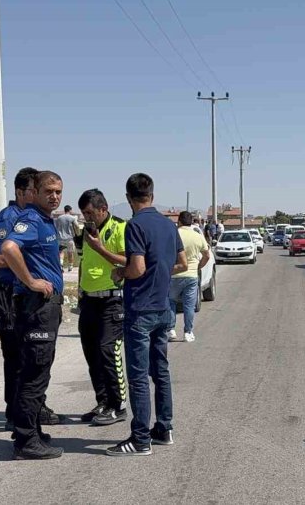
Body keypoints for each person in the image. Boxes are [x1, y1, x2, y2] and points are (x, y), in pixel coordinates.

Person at [107, 173, 187, 457]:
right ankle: (164, 429)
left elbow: (137, 268)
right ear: (152, 195)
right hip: (164, 308)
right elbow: (182, 263)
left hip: (140, 310)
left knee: (139, 377)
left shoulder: (135, 226)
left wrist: (120, 273)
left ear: (129, 198)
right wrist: (161, 273)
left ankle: (140, 439)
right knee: (161, 372)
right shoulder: (168, 225)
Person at [0, 167, 60, 432]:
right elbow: (1, 257)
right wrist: (30, 277)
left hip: (29, 297)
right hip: (11, 296)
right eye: (36, 190)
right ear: (21, 192)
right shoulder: (10, 219)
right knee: (18, 359)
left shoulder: (37, 218)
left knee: (33, 359)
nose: (45, 195)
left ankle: (32, 411)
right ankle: (16, 415)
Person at [0, 170, 66, 460]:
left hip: (44, 307)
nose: (54, 196)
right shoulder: (31, 220)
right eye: (49, 191)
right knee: (34, 374)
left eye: (58, 192)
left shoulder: (45, 220)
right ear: (35, 192)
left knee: (39, 370)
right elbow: (8, 248)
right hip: (36, 305)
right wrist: (31, 281)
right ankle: (26, 441)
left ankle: (33, 432)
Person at [76, 188, 128, 426]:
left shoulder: (120, 228)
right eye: (83, 213)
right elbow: (83, 263)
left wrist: (100, 248)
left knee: (109, 351)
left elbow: (129, 261)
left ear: (103, 209)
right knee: (92, 354)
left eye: (90, 213)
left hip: (111, 299)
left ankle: (119, 405)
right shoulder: (86, 232)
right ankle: (103, 401)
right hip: (88, 300)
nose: (87, 217)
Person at [167, 211, 210, 343]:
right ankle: (188, 332)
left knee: (171, 302)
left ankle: (171, 330)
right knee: (189, 306)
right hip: (191, 275)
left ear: (179, 221)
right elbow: (207, 255)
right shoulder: (197, 236)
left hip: (174, 274)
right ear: (191, 222)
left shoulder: (173, 234)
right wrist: (198, 266)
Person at [55, 205, 80, 272]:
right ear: (70, 210)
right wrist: (77, 234)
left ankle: (61, 264)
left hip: (60, 238)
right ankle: (70, 266)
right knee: (70, 252)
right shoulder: (72, 218)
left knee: (61, 252)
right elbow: (77, 226)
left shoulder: (59, 218)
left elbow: (56, 227)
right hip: (70, 238)